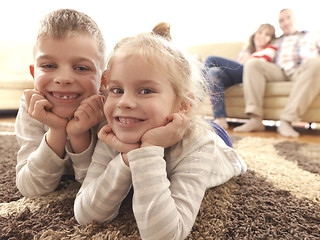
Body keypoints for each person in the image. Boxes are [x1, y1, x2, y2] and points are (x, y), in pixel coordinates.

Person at [73, 26, 247, 239]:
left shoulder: (199, 144)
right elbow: (85, 214)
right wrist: (128, 157)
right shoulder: (113, 132)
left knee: (214, 131)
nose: (124, 102)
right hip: (161, 121)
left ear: (183, 105)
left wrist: (148, 149)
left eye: (146, 91)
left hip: (219, 141)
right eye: (117, 90)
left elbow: (165, 235)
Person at [15, 9, 107, 197]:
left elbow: (98, 188)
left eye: (81, 68)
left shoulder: (111, 109)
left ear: (103, 80)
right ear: (34, 73)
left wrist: (79, 135)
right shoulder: (31, 106)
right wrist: (56, 130)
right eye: (49, 66)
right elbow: (31, 188)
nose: (63, 79)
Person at [234, 9, 320, 137]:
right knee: (253, 63)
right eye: (281, 20)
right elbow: (259, 52)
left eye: (288, 18)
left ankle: (286, 120)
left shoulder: (312, 35)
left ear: (295, 19)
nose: (285, 22)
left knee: (317, 63)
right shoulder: (276, 41)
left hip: (303, 70)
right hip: (279, 72)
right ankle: (255, 119)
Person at [204, 23, 276, 129]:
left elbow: (255, 64)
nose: (262, 36)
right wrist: (248, 57)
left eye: (267, 34)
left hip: (250, 75)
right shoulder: (246, 50)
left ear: (270, 39)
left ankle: (195, 92)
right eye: (260, 32)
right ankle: (220, 119)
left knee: (212, 60)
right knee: (213, 73)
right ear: (255, 34)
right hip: (237, 76)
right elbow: (241, 62)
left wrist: (249, 58)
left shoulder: (271, 50)